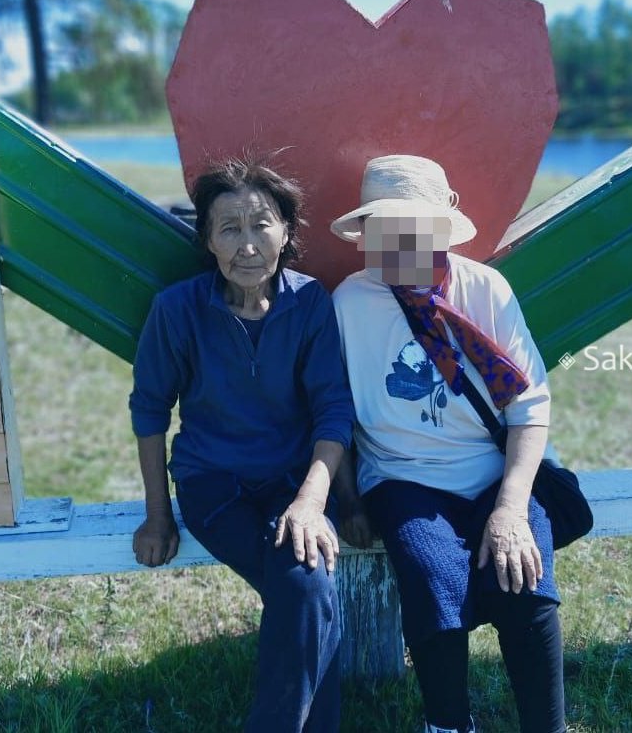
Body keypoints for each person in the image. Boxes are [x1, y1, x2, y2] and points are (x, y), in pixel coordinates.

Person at [331, 155, 565, 733]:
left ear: (440, 231)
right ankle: (448, 724)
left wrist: (510, 508)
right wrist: (350, 501)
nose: (397, 244)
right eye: (383, 231)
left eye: (413, 230)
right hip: (403, 476)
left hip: (492, 472)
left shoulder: (485, 289)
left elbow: (529, 406)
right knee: (431, 574)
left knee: (525, 578)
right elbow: (331, 412)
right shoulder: (348, 303)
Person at [129, 154, 354, 733]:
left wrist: (311, 503)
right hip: (214, 486)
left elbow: (333, 412)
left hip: (294, 481)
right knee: (308, 592)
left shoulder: (311, 304)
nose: (247, 244)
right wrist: (159, 518)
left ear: (286, 233)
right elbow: (150, 411)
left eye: (261, 225)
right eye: (229, 228)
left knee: (306, 588)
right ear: (207, 239)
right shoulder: (176, 310)